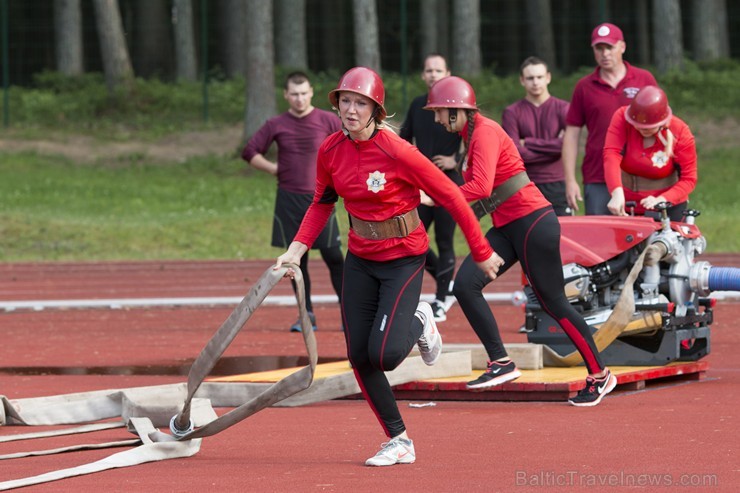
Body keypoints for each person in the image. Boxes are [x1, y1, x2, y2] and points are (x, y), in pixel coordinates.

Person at [274, 67, 500, 466]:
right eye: (345, 100)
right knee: (358, 355)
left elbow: (450, 194)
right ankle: (399, 440)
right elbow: (322, 203)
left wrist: (480, 251)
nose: (350, 109)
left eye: (360, 103)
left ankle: (421, 318)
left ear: (376, 110)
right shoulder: (329, 150)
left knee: (385, 356)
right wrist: (296, 249)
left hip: (404, 258)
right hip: (360, 260)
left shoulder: (397, 150)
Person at [424, 76, 617, 407]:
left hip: (532, 221)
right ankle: (501, 362)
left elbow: (481, 188)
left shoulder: (483, 132)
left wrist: (435, 197)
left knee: (553, 302)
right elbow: (484, 194)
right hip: (508, 226)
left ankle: (600, 375)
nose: (437, 119)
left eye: (440, 112)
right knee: (465, 285)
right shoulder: (467, 136)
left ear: (455, 111)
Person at [242, 71, 344, 332]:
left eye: (303, 93)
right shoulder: (276, 124)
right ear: (286, 95)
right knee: (297, 262)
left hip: (321, 199)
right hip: (289, 199)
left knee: (334, 257)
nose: (299, 99)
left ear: (311, 92)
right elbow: (250, 151)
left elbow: (347, 147)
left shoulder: (328, 120)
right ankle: (306, 314)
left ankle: (349, 312)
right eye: (294, 94)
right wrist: (274, 168)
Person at [562, 22, 657, 215]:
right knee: (601, 239)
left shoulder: (644, 79)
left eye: (610, 47)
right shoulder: (584, 87)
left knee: (646, 237)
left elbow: (661, 124)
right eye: (599, 48)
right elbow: (571, 135)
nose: (605, 54)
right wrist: (570, 180)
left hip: (641, 174)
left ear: (622, 47)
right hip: (598, 176)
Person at [400, 53, 462, 322]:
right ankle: (445, 281)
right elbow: (402, 140)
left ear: (448, 72)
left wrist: (455, 160)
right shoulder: (417, 105)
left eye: (438, 70)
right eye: (429, 70)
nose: (433, 74)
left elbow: (475, 142)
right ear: (423, 75)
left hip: (449, 183)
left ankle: (440, 299)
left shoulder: (458, 105)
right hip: (421, 187)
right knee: (413, 238)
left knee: (445, 240)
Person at [604, 85, 697, 221]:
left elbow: (689, 179)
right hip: (628, 203)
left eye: (648, 127)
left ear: (663, 121)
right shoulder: (621, 117)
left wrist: (662, 199)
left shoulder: (681, 132)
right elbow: (611, 154)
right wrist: (616, 192)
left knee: (663, 241)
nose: (642, 128)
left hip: (668, 206)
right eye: (637, 124)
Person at [502, 56, 571, 216]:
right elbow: (515, 153)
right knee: (529, 237)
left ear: (548, 77)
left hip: (558, 184)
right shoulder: (511, 112)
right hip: (525, 184)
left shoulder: (564, 109)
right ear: (522, 80)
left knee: (563, 236)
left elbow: (566, 146)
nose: (535, 82)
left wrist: (528, 142)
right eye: (530, 78)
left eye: (539, 77)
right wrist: (554, 147)